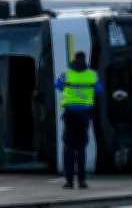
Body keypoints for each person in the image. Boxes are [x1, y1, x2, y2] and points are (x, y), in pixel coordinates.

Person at [55, 51, 103, 189]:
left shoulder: (66, 73)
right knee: (81, 149)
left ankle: (69, 181)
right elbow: (99, 89)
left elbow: (58, 86)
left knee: (68, 149)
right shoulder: (92, 75)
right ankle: (82, 181)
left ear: (74, 59)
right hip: (85, 116)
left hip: (70, 115)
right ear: (85, 59)